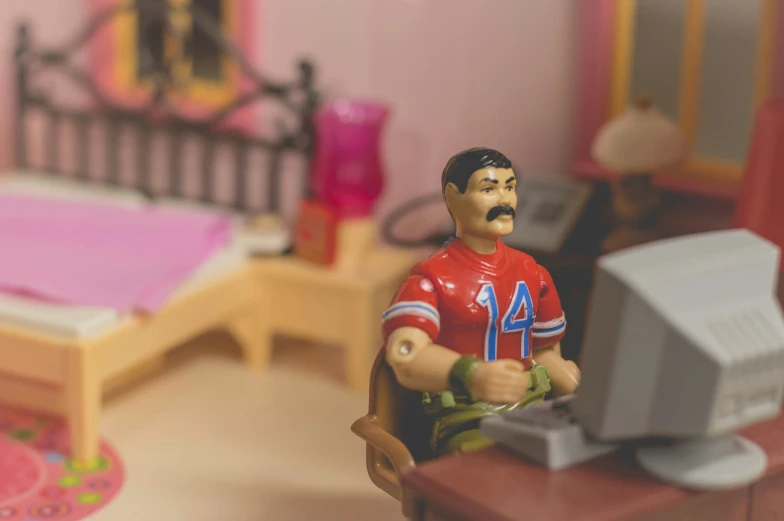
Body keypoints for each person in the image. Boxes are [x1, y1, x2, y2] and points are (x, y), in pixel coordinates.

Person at [382, 147, 580, 456]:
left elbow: (544, 353)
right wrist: (471, 375)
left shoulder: (534, 274)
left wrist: (579, 393)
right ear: (453, 196)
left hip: (533, 412)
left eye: (510, 188)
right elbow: (405, 354)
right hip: (467, 418)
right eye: (488, 189)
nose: (504, 200)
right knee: (501, 473)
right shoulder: (431, 279)